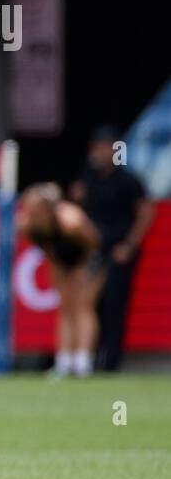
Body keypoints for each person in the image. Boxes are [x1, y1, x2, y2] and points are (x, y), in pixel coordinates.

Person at [71, 127, 155, 371]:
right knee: (88, 304)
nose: (99, 151)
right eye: (97, 146)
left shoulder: (128, 180)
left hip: (117, 252)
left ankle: (110, 362)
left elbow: (146, 212)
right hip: (93, 252)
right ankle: (86, 358)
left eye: (105, 146)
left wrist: (128, 245)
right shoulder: (88, 178)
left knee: (114, 305)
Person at [18, 183, 102, 377]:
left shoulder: (71, 222)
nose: (29, 213)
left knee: (83, 306)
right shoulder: (27, 223)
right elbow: (42, 243)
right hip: (61, 260)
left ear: (47, 211)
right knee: (65, 307)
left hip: (87, 257)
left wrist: (81, 270)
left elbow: (93, 244)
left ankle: (83, 362)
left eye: (34, 210)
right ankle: (64, 362)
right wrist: (57, 263)